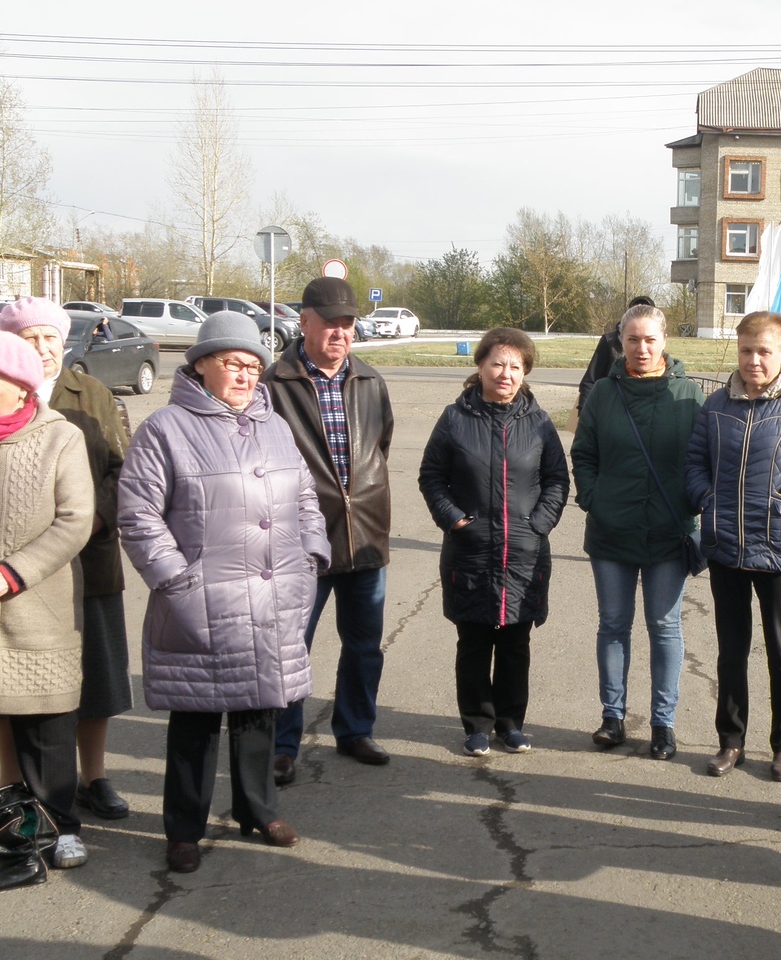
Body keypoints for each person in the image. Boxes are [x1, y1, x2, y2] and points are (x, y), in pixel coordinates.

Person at [117, 313, 328, 874]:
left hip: (274, 595)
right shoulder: (166, 429)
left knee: (260, 707)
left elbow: (306, 497)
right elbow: (138, 515)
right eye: (233, 363)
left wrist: (311, 555)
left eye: (253, 366)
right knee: (197, 718)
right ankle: (184, 829)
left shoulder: (274, 425)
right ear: (202, 364)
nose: (245, 375)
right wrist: (176, 579)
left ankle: (259, 810)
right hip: (201, 601)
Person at [0, 298, 132, 821]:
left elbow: (124, 468)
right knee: (14, 688)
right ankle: (15, 791)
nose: (43, 347)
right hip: (19, 579)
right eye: (30, 338)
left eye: (50, 337)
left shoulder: (91, 393)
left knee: (95, 680)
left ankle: (93, 776)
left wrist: (94, 521)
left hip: (88, 563)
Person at [684, 311, 781, 782]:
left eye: (764, 351)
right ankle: (731, 741)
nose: (754, 361)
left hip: (780, 548)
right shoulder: (717, 405)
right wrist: (706, 497)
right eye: (746, 350)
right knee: (731, 651)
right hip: (726, 544)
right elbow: (694, 461)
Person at [264, 277, 395, 782]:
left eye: (348, 323)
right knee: (291, 646)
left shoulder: (370, 381)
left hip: (365, 536)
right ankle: (282, 745)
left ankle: (356, 730)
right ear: (304, 322)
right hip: (301, 542)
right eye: (330, 323)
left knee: (364, 646)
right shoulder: (274, 385)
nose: (340, 333)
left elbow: (380, 448)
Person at [419, 328, 569, 757]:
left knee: (515, 645)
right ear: (480, 366)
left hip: (524, 552)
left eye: (515, 366)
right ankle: (477, 725)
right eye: (498, 364)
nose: (506, 374)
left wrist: (538, 524)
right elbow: (432, 477)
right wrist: (455, 520)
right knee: (473, 643)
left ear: (526, 372)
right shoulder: (455, 419)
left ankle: (511, 724)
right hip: (471, 551)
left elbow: (557, 480)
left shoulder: (538, 422)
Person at [571, 303, 704, 759]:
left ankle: (663, 724)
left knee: (665, 627)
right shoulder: (603, 394)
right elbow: (583, 453)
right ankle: (612, 717)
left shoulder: (688, 395)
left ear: (664, 340)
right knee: (613, 624)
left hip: (669, 530)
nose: (641, 348)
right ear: (620, 342)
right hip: (611, 530)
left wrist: (693, 505)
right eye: (632, 339)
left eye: (649, 339)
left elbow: (703, 459)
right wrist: (594, 498)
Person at [0, 330, 93, 871]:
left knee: (48, 727)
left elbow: (76, 520)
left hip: (39, 607)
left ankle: (62, 827)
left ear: (19, 385)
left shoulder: (60, 437)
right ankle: (11, 828)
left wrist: (12, 573)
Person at [577, 295, 654, 412]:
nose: (642, 349)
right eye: (635, 311)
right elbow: (590, 380)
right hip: (611, 409)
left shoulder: (657, 347)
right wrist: (584, 414)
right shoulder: (609, 341)